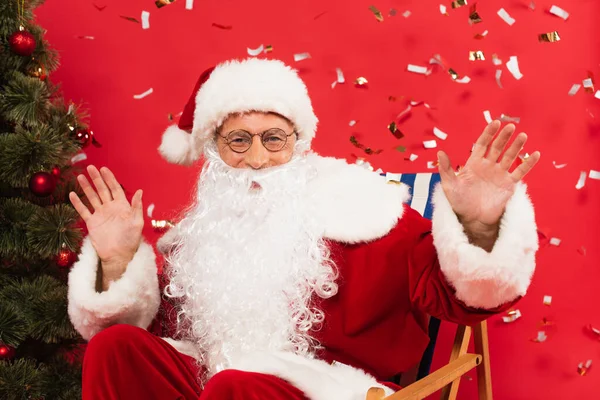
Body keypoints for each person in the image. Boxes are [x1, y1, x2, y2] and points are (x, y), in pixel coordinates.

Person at [67, 58, 540, 400]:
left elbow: (454, 295)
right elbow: (158, 337)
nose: (256, 159)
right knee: (116, 347)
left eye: (273, 138)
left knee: (236, 387)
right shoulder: (203, 232)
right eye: (238, 140)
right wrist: (115, 262)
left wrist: (479, 227)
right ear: (213, 150)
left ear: (299, 141)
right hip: (217, 379)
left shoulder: (365, 211)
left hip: (324, 388)